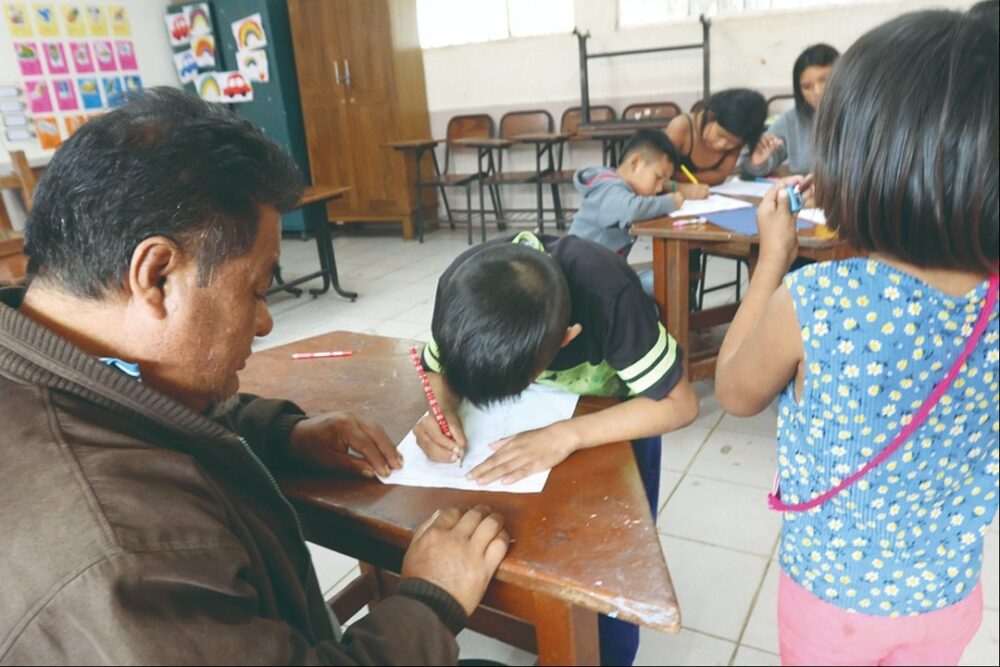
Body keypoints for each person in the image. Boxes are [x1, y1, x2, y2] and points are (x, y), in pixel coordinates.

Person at [0, 87, 509, 665]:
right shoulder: (121, 553)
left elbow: (128, 409)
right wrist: (429, 600)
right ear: (158, 275)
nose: (264, 323)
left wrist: (281, 433)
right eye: (257, 289)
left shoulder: (42, 349)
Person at [715, 10, 998, 666]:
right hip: (947, 598)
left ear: (857, 161)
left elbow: (733, 388)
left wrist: (771, 259)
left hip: (833, 605)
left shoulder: (821, 301)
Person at [414, 232, 700, 666]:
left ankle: (605, 653)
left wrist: (566, 435)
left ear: (567, 339)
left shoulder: (610, 297)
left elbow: (680, 403)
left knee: (606, 569)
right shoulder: (465, 288)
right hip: (529, 429)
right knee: (531, 539)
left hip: (617, 422)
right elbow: (437, 373)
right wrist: (442, 412)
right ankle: (544, 627)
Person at [568, 129, 684, 293]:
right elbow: (629, 210)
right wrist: (669, 202)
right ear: (636, 162)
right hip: (586, 281)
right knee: (665, 284)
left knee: (664, 281)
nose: (659, 188)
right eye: (658, 177)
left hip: (599, 273)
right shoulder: (612, 187)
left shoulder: (610, 182)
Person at [740, 43, 839, 178]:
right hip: (805, 196)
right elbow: (752, 164)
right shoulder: (792, 121)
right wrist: (757, 163)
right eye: (807, 87)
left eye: (825, 80)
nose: (817, 91)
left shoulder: (865, 114)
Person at [665, 88, 767, 190]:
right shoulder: (681, 127)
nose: (721, 145)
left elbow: (720, 176)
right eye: (720, 134)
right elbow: (660, 174)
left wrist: (678, 177)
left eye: (732, 142)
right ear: (711, 115)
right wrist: (681, 187)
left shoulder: (737, 139)